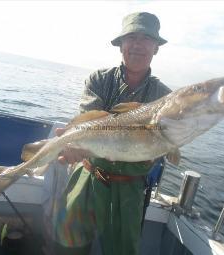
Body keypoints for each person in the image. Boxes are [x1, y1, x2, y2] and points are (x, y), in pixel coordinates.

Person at [54, 12, 172, 255]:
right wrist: (74, 144)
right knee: (68, 242)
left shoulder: (165, 98)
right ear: (121, 45)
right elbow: (89, 122)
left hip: (129, 188)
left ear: (156, 48)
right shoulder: (98, 79)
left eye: (146, 38)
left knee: (122, 250)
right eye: (131, 37)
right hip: (88, 173)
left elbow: (170, 138)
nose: (138, 44)